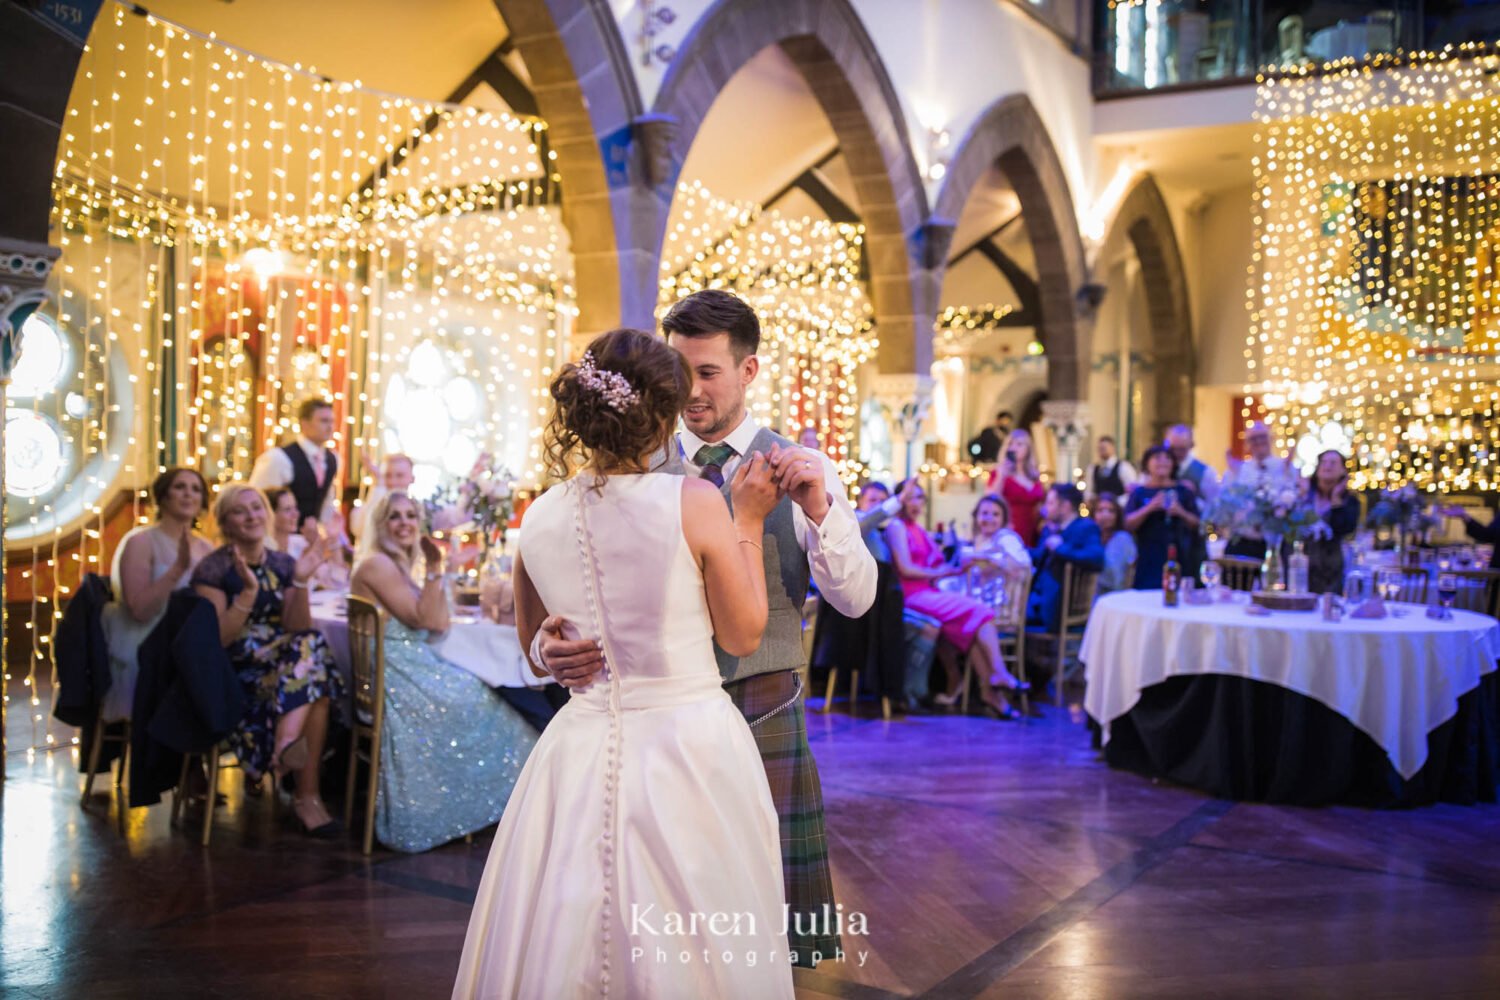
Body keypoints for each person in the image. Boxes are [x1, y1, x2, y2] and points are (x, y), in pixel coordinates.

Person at [529, 289, 876, 965]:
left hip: (759, 706)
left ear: (749, 371)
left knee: (757, 928)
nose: (690, 392)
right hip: (652, 732)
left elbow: (857, 601)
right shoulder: (629, 466)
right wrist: (548, 641)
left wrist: (822, 511)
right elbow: (580, 584)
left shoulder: (802, 466)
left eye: (708, 373)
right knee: (647, 927)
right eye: (679, 373)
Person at [452, 328, 793, 999]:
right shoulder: (694, 501)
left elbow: (532, 648)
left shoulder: (540, 516)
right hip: (686, 748)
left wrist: (549, 650)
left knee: (565, 927)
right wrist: (747, 519)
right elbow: (745, 632)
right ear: (664, 413)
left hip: (577, 751)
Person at [349, 492, 537, 853]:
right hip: (396, 671)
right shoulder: (376, 565)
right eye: (394, 517)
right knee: (478, 697)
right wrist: (435, 569)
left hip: (411, 663)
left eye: (409, 515)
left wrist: (433, 571)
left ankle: (479, 805)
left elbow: (438, 621)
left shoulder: (396, 567)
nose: (404, 522)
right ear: (380, 525)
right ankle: (466, 807)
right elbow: (431, 620)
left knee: (481, 686)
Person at [191, 483, 342, 837]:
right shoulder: (213, 570)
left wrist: (301, 581)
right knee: (315, 689)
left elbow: (297, 626)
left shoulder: (282, 563)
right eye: (240, 511)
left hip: (284, 667)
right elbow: (219, 640)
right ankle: (305, 794)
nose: (252, 516)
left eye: (257, 508)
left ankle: (289, 750)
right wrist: (247, 593)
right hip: (237, 671)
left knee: (312, 657)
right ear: (225, 523)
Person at [884, 479, 1030, 720]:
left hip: (930, 592)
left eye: (920, 497)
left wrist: (959, 561)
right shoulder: (896, 527)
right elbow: (907, 569)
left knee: (970, 626)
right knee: (980, 610)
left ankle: (990, 694)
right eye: (910, 497)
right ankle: (999, 673)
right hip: (912, 594)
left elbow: (942, 560)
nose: (916, 503)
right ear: (899, 500)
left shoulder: (918, 530)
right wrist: (947, 571)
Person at [101, 468, 216, 722]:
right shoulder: (141, 542)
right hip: (148, 641)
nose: (188, 494)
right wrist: (177, 570)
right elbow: (139, 610)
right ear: (163, 496)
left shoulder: (206, 547)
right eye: (180, 487)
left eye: (196, 489)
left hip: (192, 639)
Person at [249, 397, 342, 531]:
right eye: (323, 421)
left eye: (332, 421)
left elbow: (327, 505)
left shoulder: (333, 459)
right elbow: (258, 501)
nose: (330, 427)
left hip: (310, 539)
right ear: (304, 424)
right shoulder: (278, 458)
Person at [1027, 485, 1105, 633]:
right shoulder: (1051, 528)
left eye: (1050, 503)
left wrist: (1060, 549)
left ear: (1065, 506)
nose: (1045, 509)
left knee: (1000, 617)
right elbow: (1038, 557)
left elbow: (1097, 559)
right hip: (1037, 600)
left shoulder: (1086, 528)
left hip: (1058, 608)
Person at [1124, 445, 1202, 589]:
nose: (1162, 462)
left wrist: (1180, 511)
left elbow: (1198, 524)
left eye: (1167, 458)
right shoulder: (1139, 493)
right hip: (1148, 558)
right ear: (1147, 463)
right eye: (1157, 458)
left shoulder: (1183, 491)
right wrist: (1149, 508)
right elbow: (1127, 524)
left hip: (1180, 556)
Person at [1221, 421, 1298, 559]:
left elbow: (1296, 499)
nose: (1258, 442)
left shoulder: (1286, 468)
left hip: (1276, 544)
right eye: (1253, 439)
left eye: (1262, 437)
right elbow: (1225, 504)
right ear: (1247, 443)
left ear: (1271, 439)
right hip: (1242, 541)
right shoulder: (1238, 470)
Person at [1302, 450, 1361, 594]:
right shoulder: (1303, 495)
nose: (1327, 466)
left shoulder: (1350, 501)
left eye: (1333, 463)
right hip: (1301, 566)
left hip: (1332, 568)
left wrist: (1336, 500)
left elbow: (1345, 529)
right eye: (1323, 462)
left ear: (1343, 471)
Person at [988, 427, 1046, 546]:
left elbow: (1041, 503)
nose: (1014, 448)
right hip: (1010, 528)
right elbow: (990, 499)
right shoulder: (999, 473)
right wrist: (1001, 476)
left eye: (1019, 444)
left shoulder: (1034, 475)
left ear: (1028, 449)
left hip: (1033, 531)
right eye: (1010, 444)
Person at [349, 452, 415, 539]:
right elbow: (366, 530)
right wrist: (379, 483)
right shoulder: (359, 512)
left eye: (399, 476)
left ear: (412, 479)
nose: (392, 482)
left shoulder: (420, 510)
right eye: (387, 476)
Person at [1092, 492, 1138, 597]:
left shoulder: (1123, 539)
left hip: (1115, 593)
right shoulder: (1089, 538)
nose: (1105, 515)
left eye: (1111, 511)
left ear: (1117, 515)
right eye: (1100, 510)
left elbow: (1124, 574)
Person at [1166, 424, 1220, 503]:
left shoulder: (1206, 472)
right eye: (1172, 448)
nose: (1176, 453)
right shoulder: (1159, 467)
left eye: (1181, 449)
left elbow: (1213, 505)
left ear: (1191, 445)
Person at [1086, 435, 1138, 500]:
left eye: (1104, 448)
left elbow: (1132, 490)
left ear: (1113, 448)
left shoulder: (1124, 467)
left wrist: (1117, 502)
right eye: (1100, 448)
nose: (1101, 451)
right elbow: (1089, 490)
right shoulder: (1093, 468)